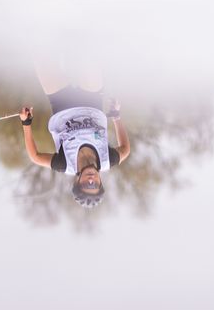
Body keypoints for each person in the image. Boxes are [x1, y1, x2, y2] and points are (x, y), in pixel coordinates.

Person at [16, 56, 130, 207]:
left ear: (77, 181)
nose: (91, 180)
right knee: (88, 55)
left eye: (86, 185)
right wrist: (116, 116)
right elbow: (125, 150)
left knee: (42, 58)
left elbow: (35, 157)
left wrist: (26, 123)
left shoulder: (65, 164)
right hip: (92, 100)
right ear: (100, 181)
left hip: (61, 102)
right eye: (95, 185)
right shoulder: (107, 160)